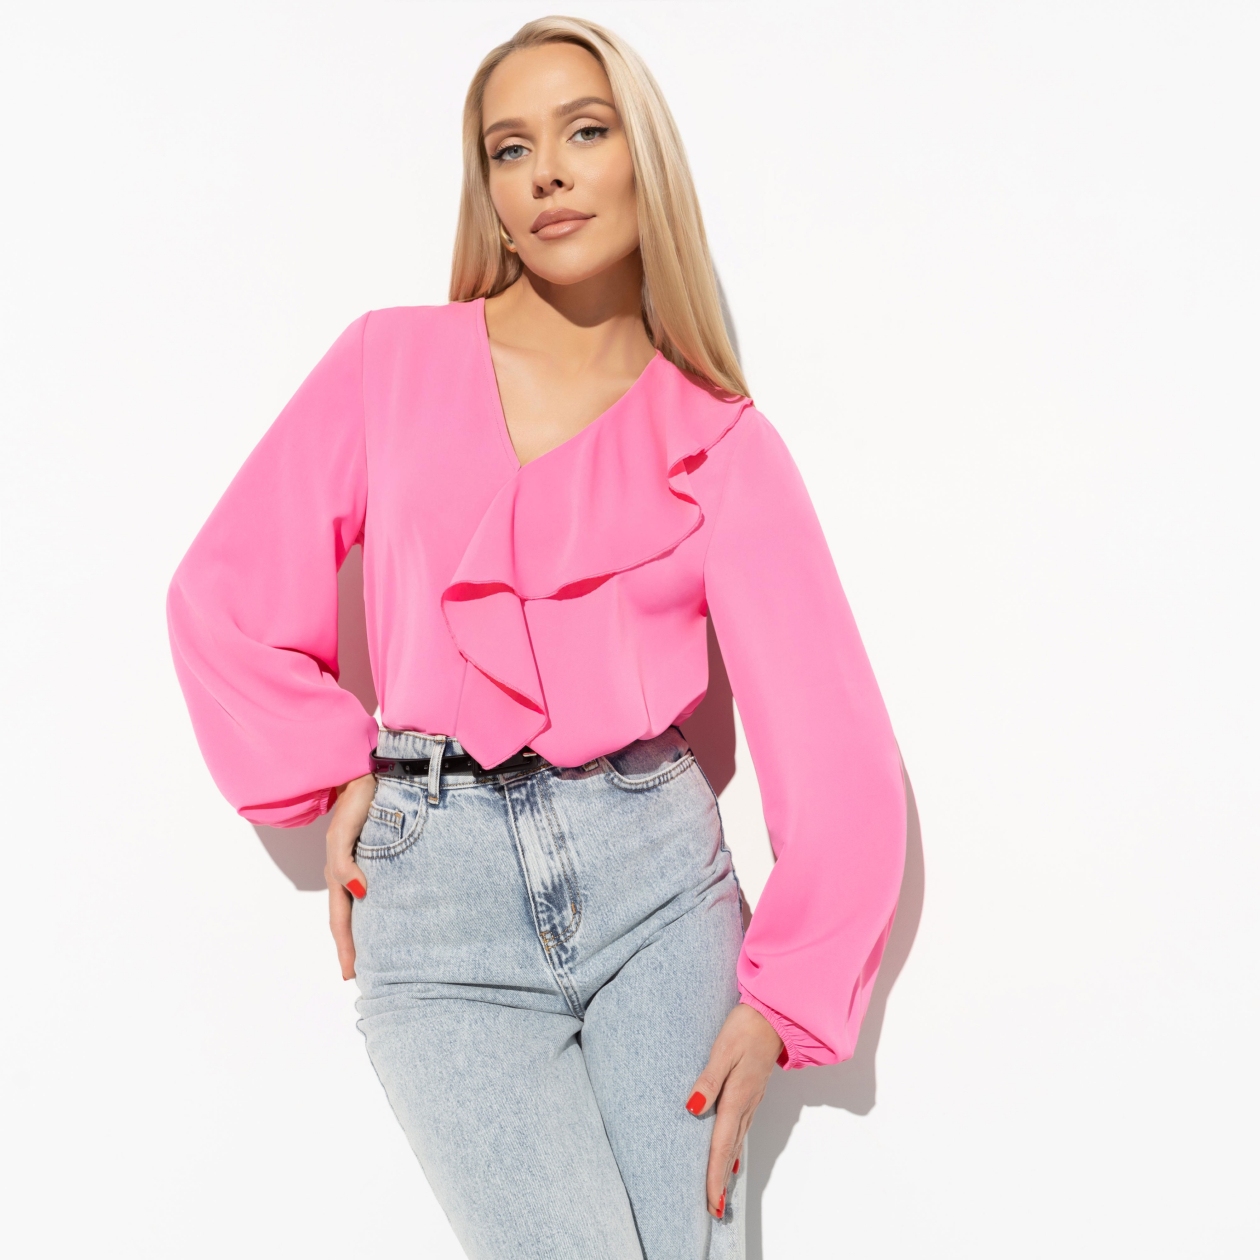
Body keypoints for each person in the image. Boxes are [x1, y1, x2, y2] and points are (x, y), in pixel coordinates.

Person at [166, 15, 905, 1260]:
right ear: (494, 197)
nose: (549, 172)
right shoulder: (389, 363)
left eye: (585, 132)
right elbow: (222, 595)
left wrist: (788, 997)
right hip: (436, 897)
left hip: (656, 885)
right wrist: (336, 766)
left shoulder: (719, 442)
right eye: (511, 149)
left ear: (642, 160)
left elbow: (831, 742)